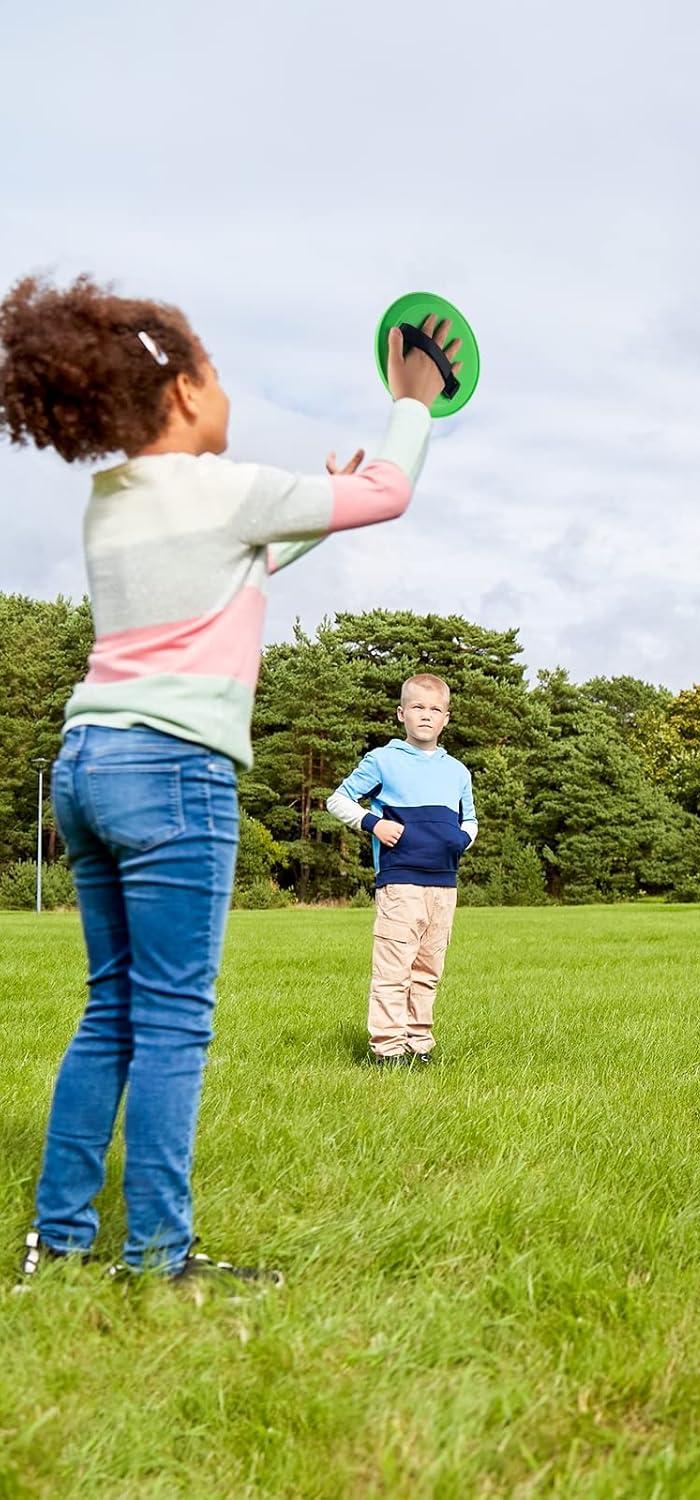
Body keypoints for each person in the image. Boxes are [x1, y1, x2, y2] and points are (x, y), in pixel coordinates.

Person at [2, 273, 459, 1287]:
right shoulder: (226, 488)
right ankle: (159, 1257)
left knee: (111, 1010)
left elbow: (232, 572)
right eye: (214, 373)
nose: (226, 394)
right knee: (173, 1021)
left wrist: (306, 519)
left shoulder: (110, 503)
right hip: (173, 773)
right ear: (181, 393)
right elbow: (387, 493)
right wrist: (413, 401)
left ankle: (57, 1242)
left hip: (89, 766)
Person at [327, 673, 476, 1063]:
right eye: (417, 707)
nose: (426, 715)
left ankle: (418, 1044)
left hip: (444, 886)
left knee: (428, 969)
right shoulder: (382, 760)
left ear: (446, 718)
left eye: (435, 709)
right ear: (401, 713)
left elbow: (470, 820)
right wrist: (372, 823)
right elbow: (337, 800)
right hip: (400, 882)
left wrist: (461, 840)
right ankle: (388, 1049)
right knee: (394, 969)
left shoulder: (458, 771)